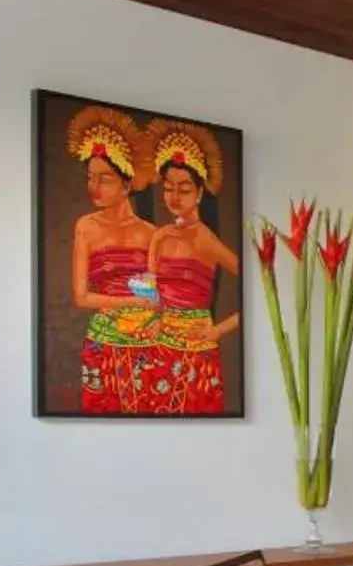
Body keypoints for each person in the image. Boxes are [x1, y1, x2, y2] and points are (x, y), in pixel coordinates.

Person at [138, 122, 240, 415]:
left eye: (183, 189)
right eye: (168, 188)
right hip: (160, 346)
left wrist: (218, 330)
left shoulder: (206, 238)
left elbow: (260, 287)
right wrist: (153, 319)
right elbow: (150, 291)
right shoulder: (159, 236)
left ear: (199, 193)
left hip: (197, 348)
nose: (174, 197)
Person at [65, 108, 157, 414]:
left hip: (145, 340)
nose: (94, 187)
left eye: (105, 179)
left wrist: (144, 306)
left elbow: (152, 295)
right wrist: (130, 300)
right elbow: (81, 296)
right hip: (103, 338)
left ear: (127, 184)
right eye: (91, 178)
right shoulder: (86, 227)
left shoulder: (149, 233)